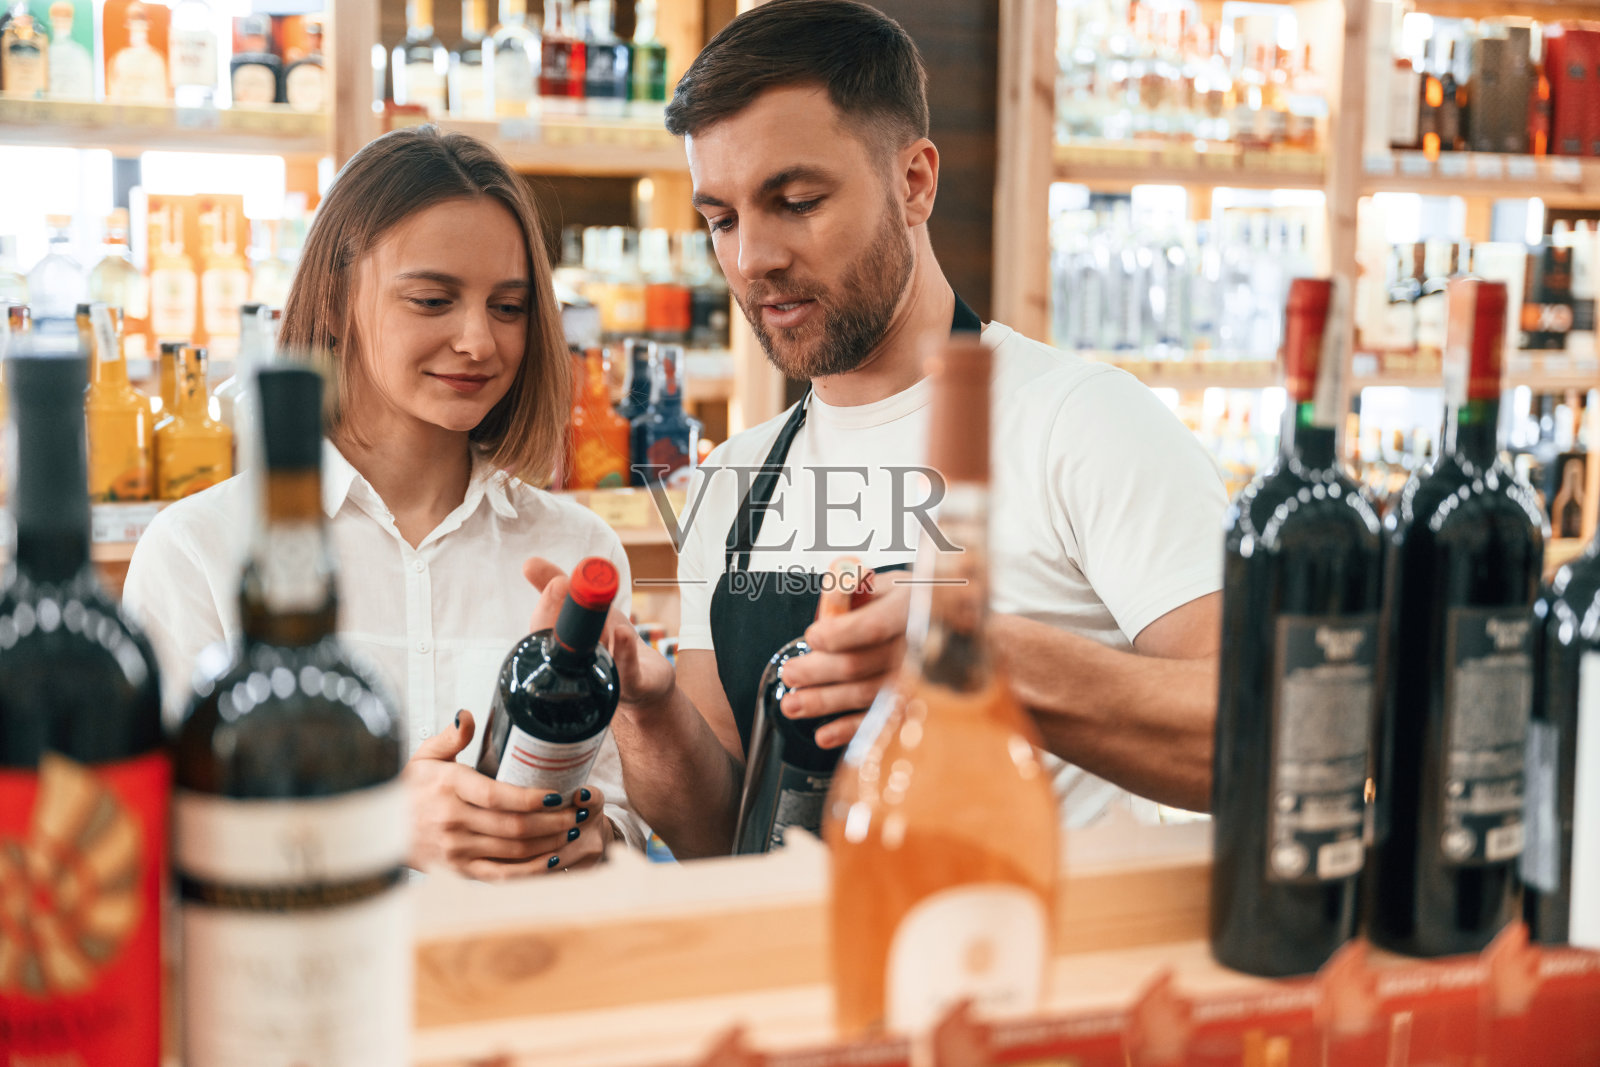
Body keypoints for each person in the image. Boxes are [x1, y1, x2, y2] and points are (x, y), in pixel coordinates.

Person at [521, 0, 1229, 860]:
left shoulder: (1081, 423)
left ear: (915, 183)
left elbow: (1255, 731)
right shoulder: (737, 478)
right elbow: (720, 830)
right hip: (793, 973)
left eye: (796, 200)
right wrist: (645, 701)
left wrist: (977, 657)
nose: (753, 259)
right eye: (722, 219)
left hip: (1014, 963)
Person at [123, 126, 646, 877]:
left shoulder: (576, 550)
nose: (478, 341)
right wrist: (377, 822)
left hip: (526, 977)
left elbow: (617, 810)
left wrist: (589, 832)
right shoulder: (199, 549)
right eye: (433, 299)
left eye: (509, 308)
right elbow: (157, 837)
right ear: (335, 304)